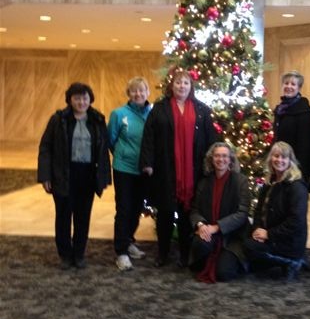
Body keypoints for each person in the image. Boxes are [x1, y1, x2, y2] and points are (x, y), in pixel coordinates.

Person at [139, 69, 217, 267]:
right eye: (178, 82)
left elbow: (211, 140)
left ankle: (184, 254)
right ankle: (163, 253)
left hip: (194, 171)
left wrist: (212, 166)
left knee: (187, 216)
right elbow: (149, 137)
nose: (182, 86)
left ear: (191, 87)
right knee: (165, 213)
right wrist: (147, 163)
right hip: (166, 170)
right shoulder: (159, 108)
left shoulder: (202, 110)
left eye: (186, 83)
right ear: (171, 86)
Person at [37, 82, 111, 270]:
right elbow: (45, 147)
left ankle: (79, 254)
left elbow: (103, 150)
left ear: (90, 99)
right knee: (63, 217)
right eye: (77, 98)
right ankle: (65, 255)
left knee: (83, 217)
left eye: (84, 98)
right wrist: (45, 176)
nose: (81, 102)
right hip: (63, 175)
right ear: (70, 100)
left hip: (87, 176)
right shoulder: (58, 120)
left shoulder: (97, 120)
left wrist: (104, 177)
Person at [244, 141, 308, 280]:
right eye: (276, 156)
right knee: (244, 234)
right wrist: (257, 229)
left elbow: (296, 221)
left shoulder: (296, 186)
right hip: (270, 235)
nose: (279, 160)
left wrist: (268, 234)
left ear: (290, 160)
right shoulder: (270, 182)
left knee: (249, 247)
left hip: (287, 241)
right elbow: (258, 210)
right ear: (271, 158)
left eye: (284, 157)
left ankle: (292, 262)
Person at [107, 76, 152, 272]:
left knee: (137, 208)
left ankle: (129, 241)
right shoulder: (119, 114)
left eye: (142, 90)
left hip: (144, 170)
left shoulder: (153, 113)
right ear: (128, 94)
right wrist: (122, 154)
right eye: (134, 91)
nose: (138, 94)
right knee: (124, 209)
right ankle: (121, 252)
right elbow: (110, 140)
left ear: (148, 92)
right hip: (124, 168)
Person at [189, 142, 251, 282]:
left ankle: (226, 260)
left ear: (230, 159)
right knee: (200, 245)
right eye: (217, 156)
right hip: (208, 231)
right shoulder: (204, 182)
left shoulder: (241, 181)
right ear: (211, 159)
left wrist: (217, 227)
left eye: (224, 156)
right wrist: (201, 225)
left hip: (232, 236)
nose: (220, 159)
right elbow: (194, 209)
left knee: (224, 273)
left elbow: (242, 213)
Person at [273, 70, 310, 183]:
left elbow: (305, 144)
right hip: (279, 163)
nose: (289, 86)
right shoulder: (280, 109)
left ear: (299, 88)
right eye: (286, 83)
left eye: (293, 84)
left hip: (295, 167)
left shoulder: (303, 110)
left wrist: (300, 171)